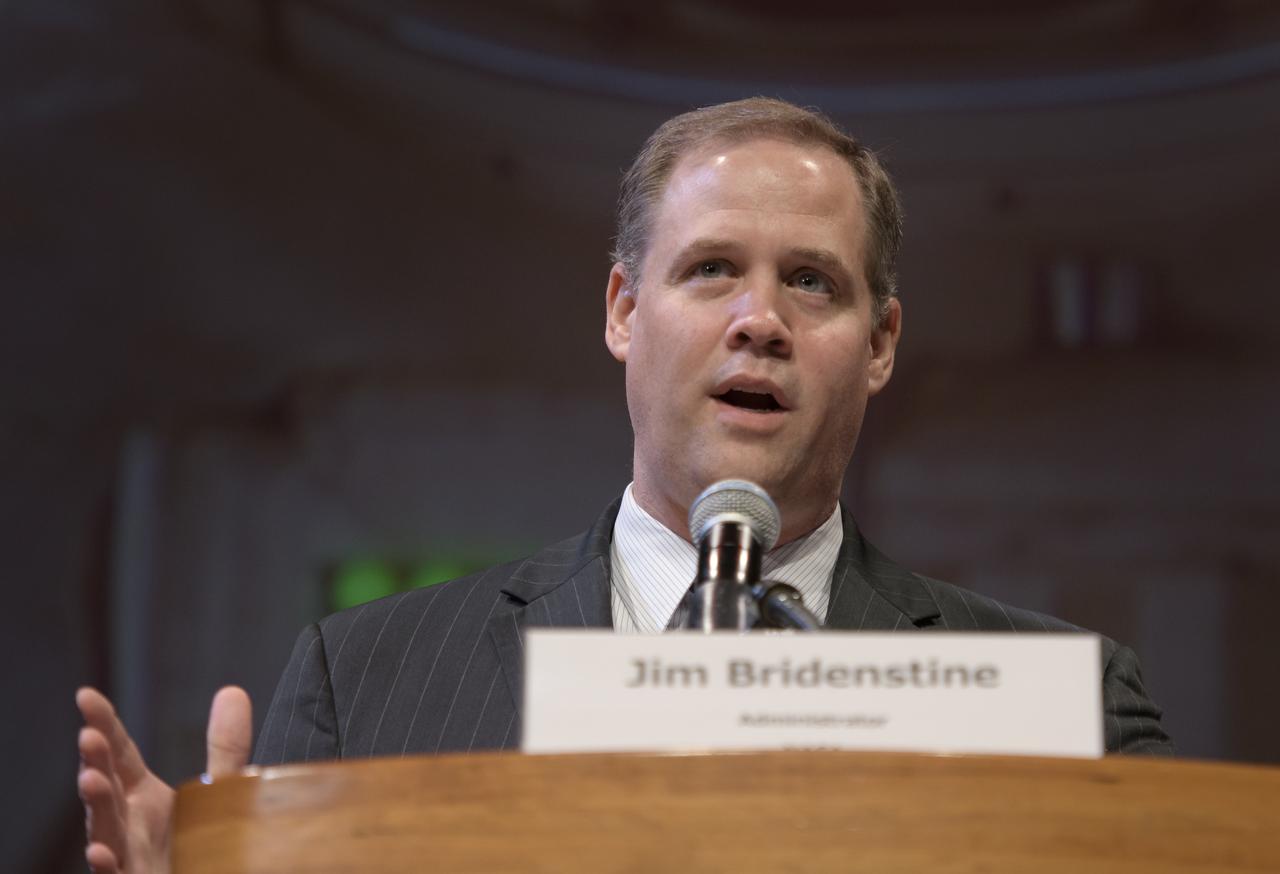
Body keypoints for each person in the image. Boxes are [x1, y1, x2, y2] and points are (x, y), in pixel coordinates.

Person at [77, 97, 1172, 872]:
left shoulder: (1062, 704)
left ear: (879, 344)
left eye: (810, 282)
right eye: (710, 270)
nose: (759, 320)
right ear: (620, 311)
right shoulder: (365, 685)